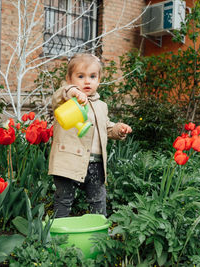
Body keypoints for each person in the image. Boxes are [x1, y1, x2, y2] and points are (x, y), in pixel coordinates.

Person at [48, 53, 132, 218]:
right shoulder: (66, 99)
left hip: (95, 163)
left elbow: (106, 127)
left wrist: (118, 129)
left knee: (98, 199)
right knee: (64, 199)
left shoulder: (101, 106)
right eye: (80, 76)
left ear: (99, 79)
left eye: (92, 76)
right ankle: (56, 237)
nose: (87, 81)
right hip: (68, 161)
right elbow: (60, 94)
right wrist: (72, 91)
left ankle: (99, 234)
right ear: (69, 78)